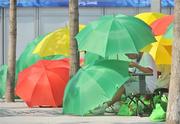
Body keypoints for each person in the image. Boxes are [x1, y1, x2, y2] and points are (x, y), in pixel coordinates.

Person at [90, 52, 157, 115]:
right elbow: (131, 73)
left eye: (128, 55)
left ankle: (105, 106)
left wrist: (136, 66)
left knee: (123, 87)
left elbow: (150, 71)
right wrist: (120, 69)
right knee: (118, 80)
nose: (128, 57)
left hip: (146, 85)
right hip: (139, 81)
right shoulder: (136, 59)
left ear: (132, 52)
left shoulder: (146, 56)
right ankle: (114, 103)